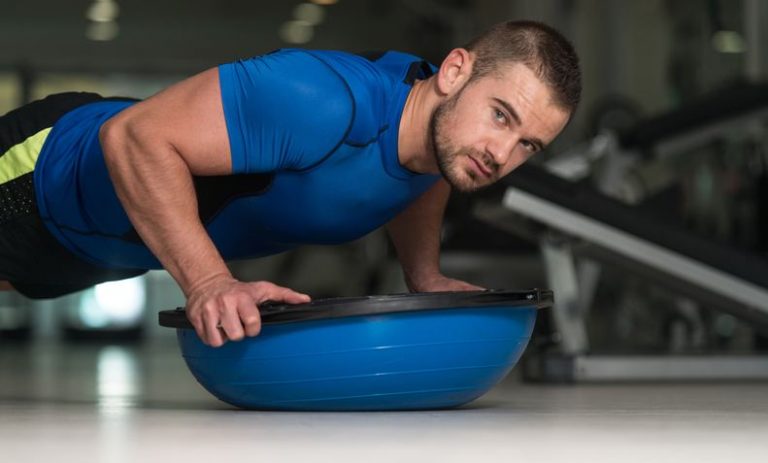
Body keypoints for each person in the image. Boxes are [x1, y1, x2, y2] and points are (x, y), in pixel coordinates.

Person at [0, 20, 580, 347]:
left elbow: (428, 175)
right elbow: (132, 139)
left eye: (528, 143)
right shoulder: (322, 98)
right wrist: (208, 282)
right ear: (454, 71)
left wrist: (423, 275)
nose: (501, 154)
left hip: (99, 249)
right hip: (36, 178)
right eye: (501, 115)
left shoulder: (442, 139)